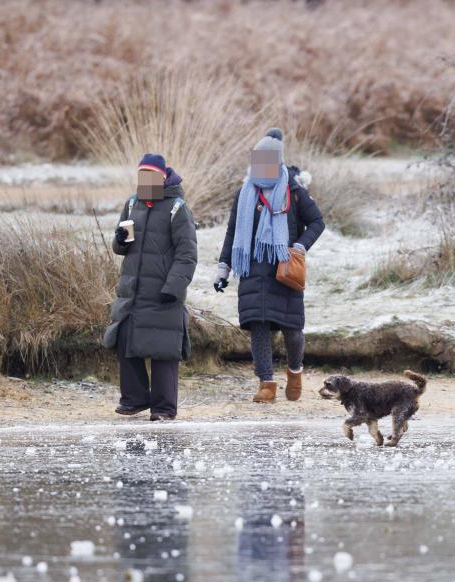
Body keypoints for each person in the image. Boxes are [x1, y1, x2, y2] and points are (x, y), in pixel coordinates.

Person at [215, 128, 325, 403]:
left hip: (284, 269)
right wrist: (223, 268)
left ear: (277, 160)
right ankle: (266, 383)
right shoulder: (244, 193)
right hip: (252, 270)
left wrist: (299, 246)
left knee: (292, 329)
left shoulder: (294, 190)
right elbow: (232, 233)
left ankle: (295, 371)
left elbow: (317, 222)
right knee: (258, 327)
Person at [103, 154, 198, 421]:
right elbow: (120, 247)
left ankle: (164, 409)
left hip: (164, 293)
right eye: (141, 176)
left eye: (150, 176)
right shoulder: (132, 204)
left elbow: (187, 254)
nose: (145, 181)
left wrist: (174, 287)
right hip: (132, 290)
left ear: (162, 178)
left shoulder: (177, 209)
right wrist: (120, 240)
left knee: (164, 349)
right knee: (125, 340)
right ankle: (135, 398)